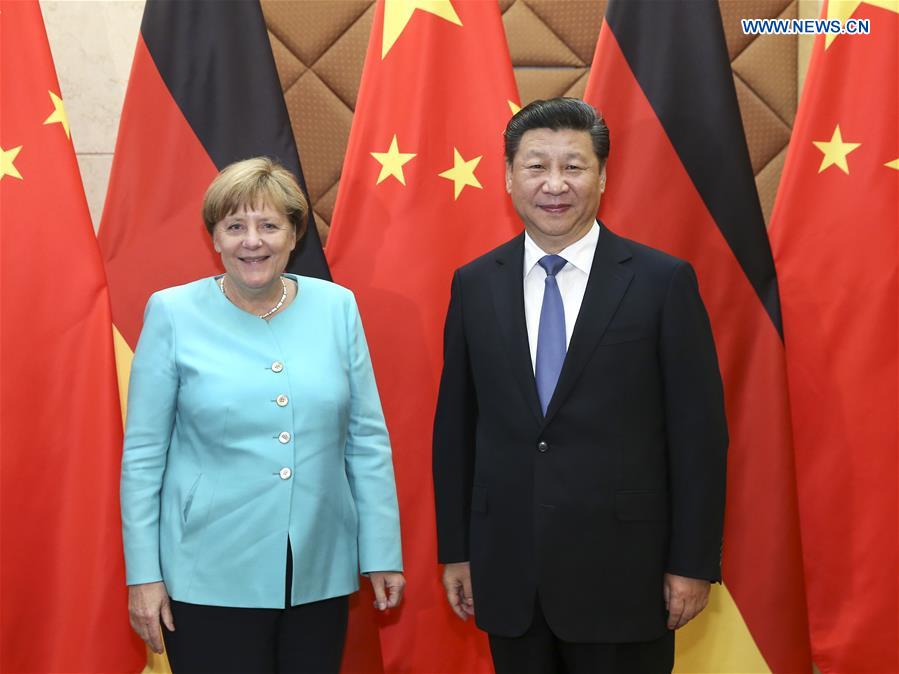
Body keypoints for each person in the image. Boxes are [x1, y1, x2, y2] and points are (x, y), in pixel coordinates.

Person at [432, 98, 727, 674]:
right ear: (508, 176)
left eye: (574, 165)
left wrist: (692, 561)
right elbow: (457, 430)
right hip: (509, 572)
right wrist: (457, 550)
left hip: (626, 575)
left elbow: (699, 437)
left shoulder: (662, 282)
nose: (554, 184)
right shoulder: (473, 285)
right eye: (536, 166)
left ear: (603, 175)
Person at [121, 157, 404, 674]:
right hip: (206, 572)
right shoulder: (172, 312)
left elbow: (366, 439)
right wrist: (143, 576)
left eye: (269, 225)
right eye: (235, 226)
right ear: (215, 238)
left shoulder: (337, 307)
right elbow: (143, 457)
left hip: (317, 569)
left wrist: (381, 551)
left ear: (294, 233)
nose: (253, 241)